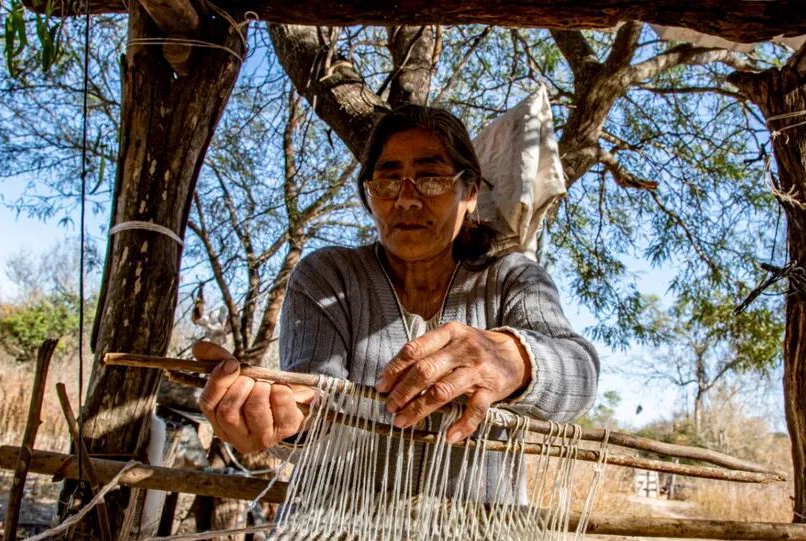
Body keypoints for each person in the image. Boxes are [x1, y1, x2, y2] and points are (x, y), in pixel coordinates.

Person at [195, 105, 599, 470]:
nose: (406, 200)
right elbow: (311, 402)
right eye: (388, 182)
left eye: (431, 178)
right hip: (340, 532)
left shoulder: (512, 278)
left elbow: (581, 375)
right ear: (370, 196)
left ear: (470, 193)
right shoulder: (328, 277)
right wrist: (277, 419)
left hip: (472, 534)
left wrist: (516, 360)